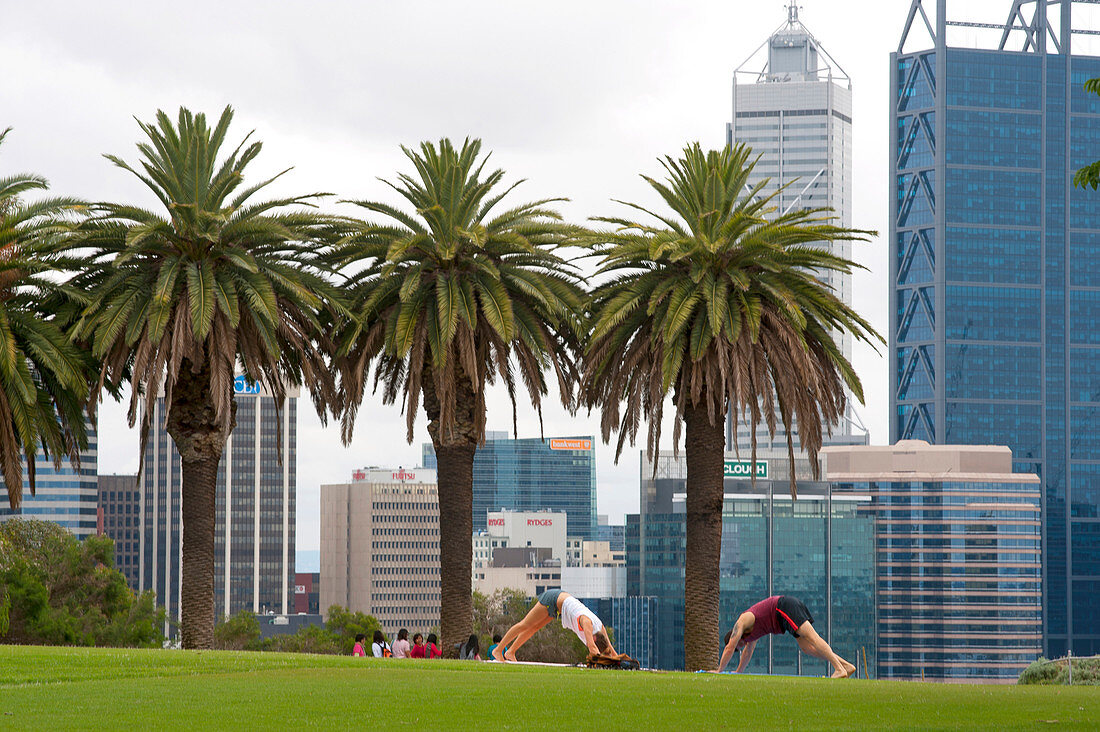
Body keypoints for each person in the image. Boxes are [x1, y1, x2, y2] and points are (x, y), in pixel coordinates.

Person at [714, 595, 855, 678]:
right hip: (783, 621)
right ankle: (846, 666)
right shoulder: (749, 638)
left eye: (739, 645)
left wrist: (719, 671)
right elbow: (747, 653)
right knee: (806, 647)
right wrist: (739, 672)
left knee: (812, 638)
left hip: (784, 607)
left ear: (735, 637)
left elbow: (729, 648)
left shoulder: (744, 620)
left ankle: (838, 669)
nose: (741, 646)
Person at [492, 589, 615, 662]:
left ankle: (510, 652)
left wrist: (622, 662)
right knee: (525, 624)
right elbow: (593, 650)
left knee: (534, 628)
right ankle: (498, 650)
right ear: (593, 639)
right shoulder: (587, 623)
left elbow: (611, 650)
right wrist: (600, 661)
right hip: (553, 599)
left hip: (559, 607)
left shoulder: (600, 628)